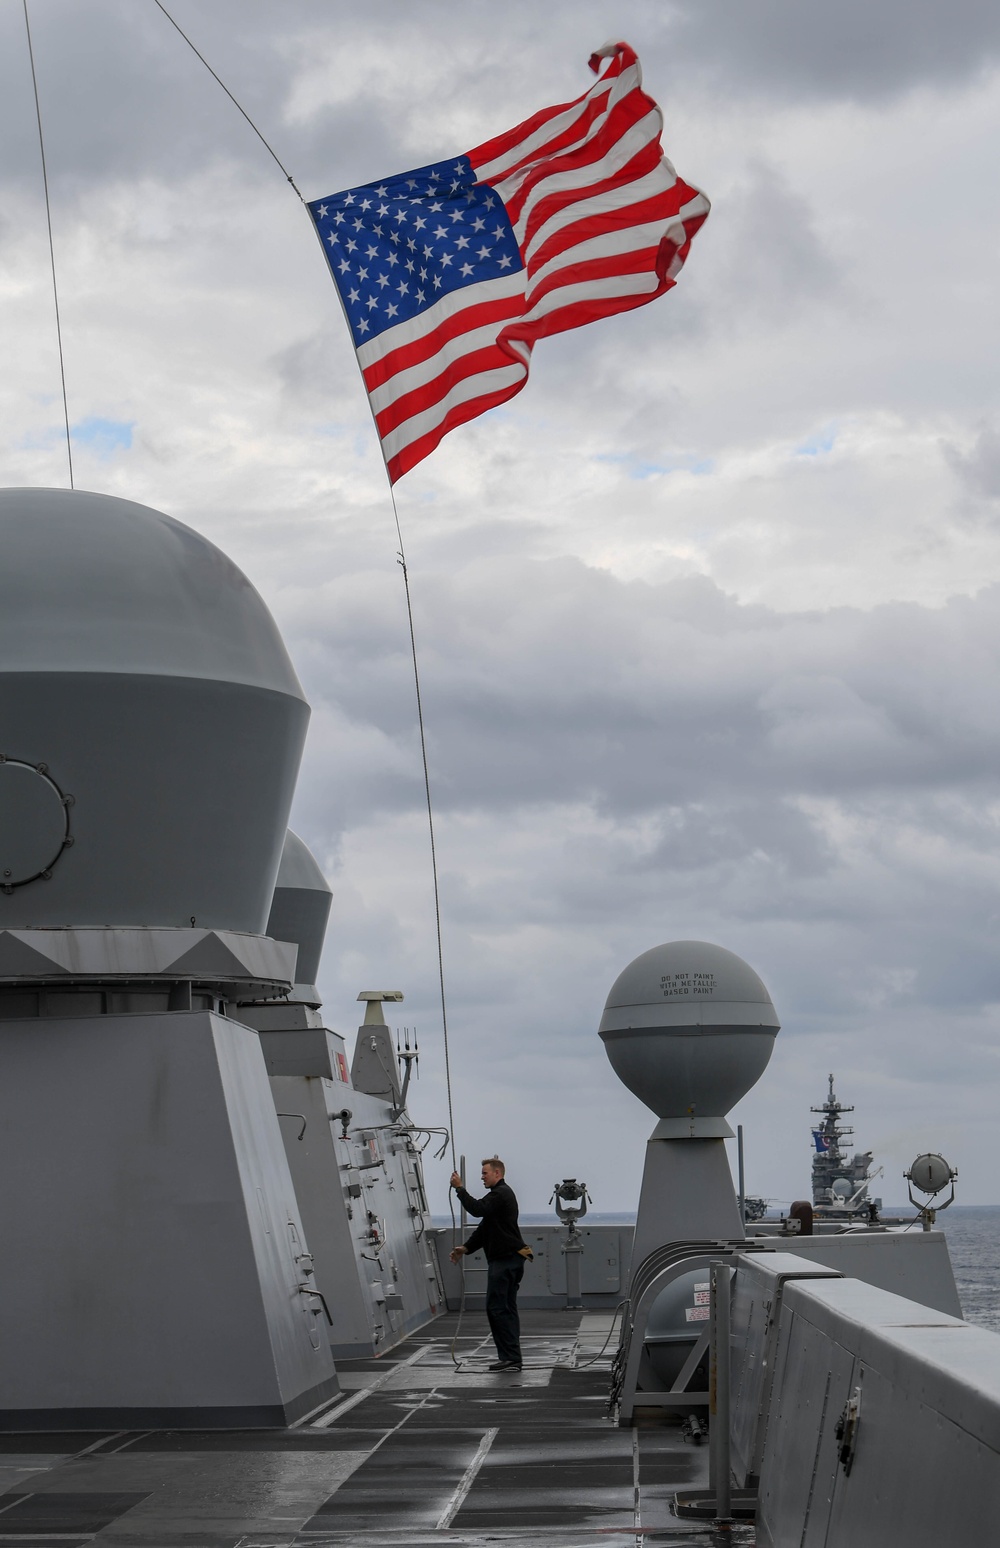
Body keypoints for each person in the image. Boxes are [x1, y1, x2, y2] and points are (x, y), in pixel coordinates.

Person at [450, 1157, 532, 1372]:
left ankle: (511, 1358)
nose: (482, 1176)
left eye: (485, 1173)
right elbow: (485, 1228)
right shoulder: (499, 1197)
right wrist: (466, 1248)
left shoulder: (501, 1194)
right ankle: (511, 1357)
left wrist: (460, 1189)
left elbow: (477, 1209)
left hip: (506, 1260)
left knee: (498, 1308)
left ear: (498, 1173)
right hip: (508, 1259)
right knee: (504, 1308)